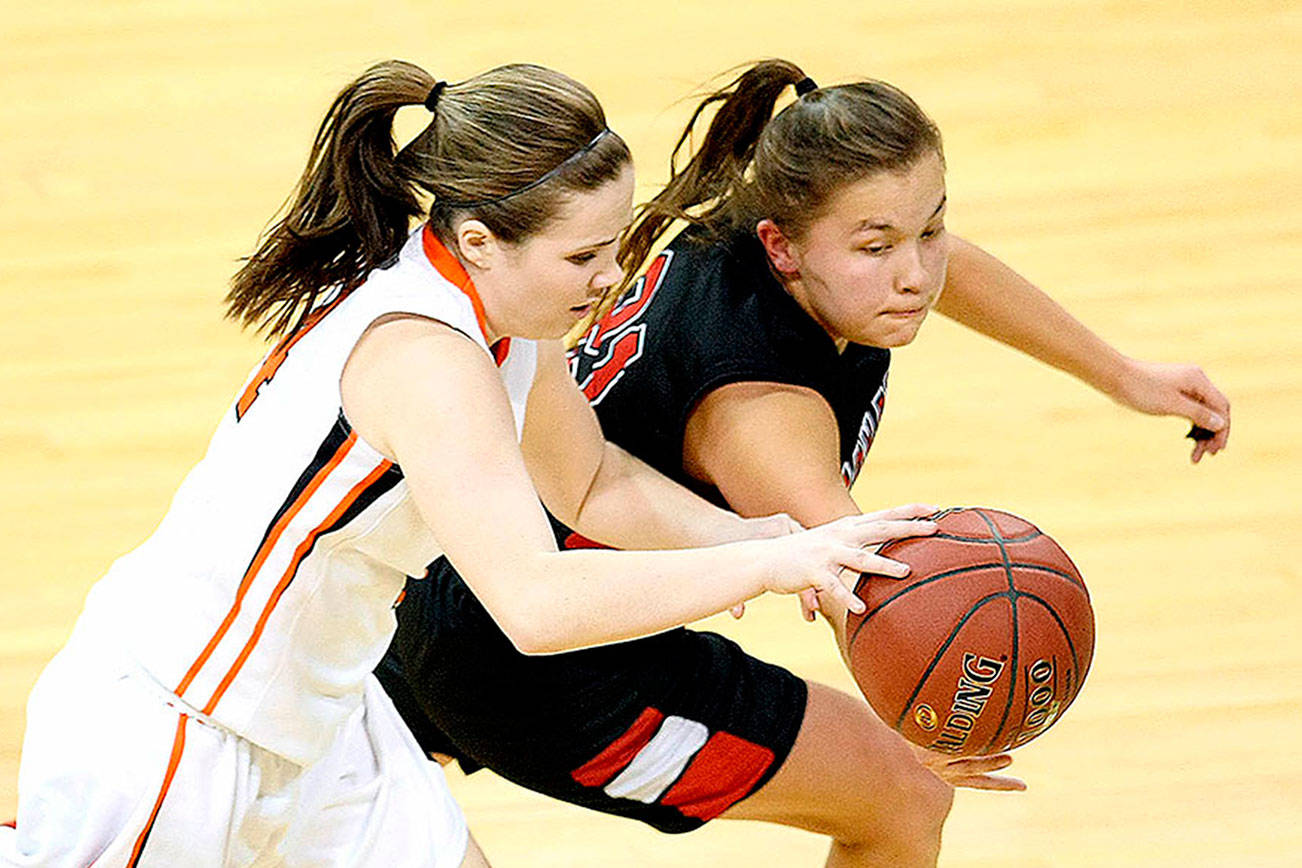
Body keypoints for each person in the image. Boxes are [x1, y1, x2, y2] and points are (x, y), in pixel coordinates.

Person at [0, 60, 928, 868]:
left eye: (613, 246)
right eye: (585, 256)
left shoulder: (498, 308)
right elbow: (536, 605)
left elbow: (590, 481)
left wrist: (765, 536)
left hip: (323, 714)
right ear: (483, 238)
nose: (613, 279)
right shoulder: (427, 360)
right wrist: (762, 565)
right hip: (184, 727)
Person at [376, 60, 1232, 867]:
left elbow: (944, 264)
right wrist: (945, 720)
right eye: (878, 247)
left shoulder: (778, 231)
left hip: (437, 577)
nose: (916, 275)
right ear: (785, 248)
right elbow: (858, 579)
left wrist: (1125, 376)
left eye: (928, 227)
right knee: (904, 800)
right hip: (552, 671)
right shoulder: (761, 413)